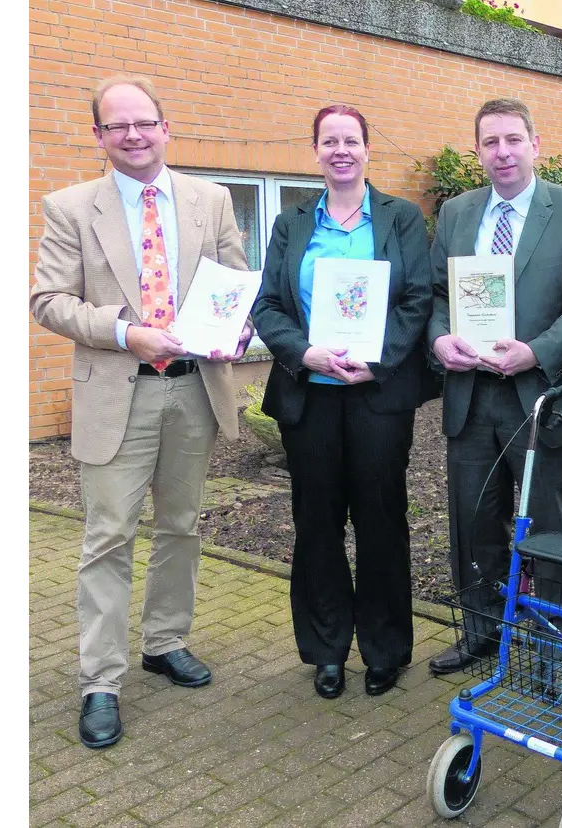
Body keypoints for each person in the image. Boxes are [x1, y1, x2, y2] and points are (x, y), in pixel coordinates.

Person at [31, 75, 254, 749]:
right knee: (108, 538)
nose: (133, 134)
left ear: (165, 127)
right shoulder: (70, 207)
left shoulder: (209, 200)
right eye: (117, 125)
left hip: (193, 388)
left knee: (182, 526)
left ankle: (164, 640)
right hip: (118, 390)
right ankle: (101, 679)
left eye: (144, 123)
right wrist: (127, 332)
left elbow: (233, 280)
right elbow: (49, 301)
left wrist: (237, 326)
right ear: (98, 135)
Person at [249, 104, 432, 700]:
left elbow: (417, 301)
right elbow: (268, 305)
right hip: (312, 398)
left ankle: (384, 649)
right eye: (330, 141)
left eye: (351, 139)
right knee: (317, 525)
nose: (341, 150)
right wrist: (305, 354)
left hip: (377, 396)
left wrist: (374, 362)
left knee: (381, 522)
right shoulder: (292, 223)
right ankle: (326, 649)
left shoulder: (401, 218)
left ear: (367, 148)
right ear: (316, 151)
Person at [424, 98, 562, 675]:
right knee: (474, 520)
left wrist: (537, 351)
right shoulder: (455, 213)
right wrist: (438, 341)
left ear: (535, 145)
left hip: (541, 397)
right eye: (489, 142)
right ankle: (481, 628)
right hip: (471, 396)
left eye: (512, 140)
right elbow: (434, 295)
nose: (501, 152)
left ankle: (561, 640)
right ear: (476, 150)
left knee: (549, 523)